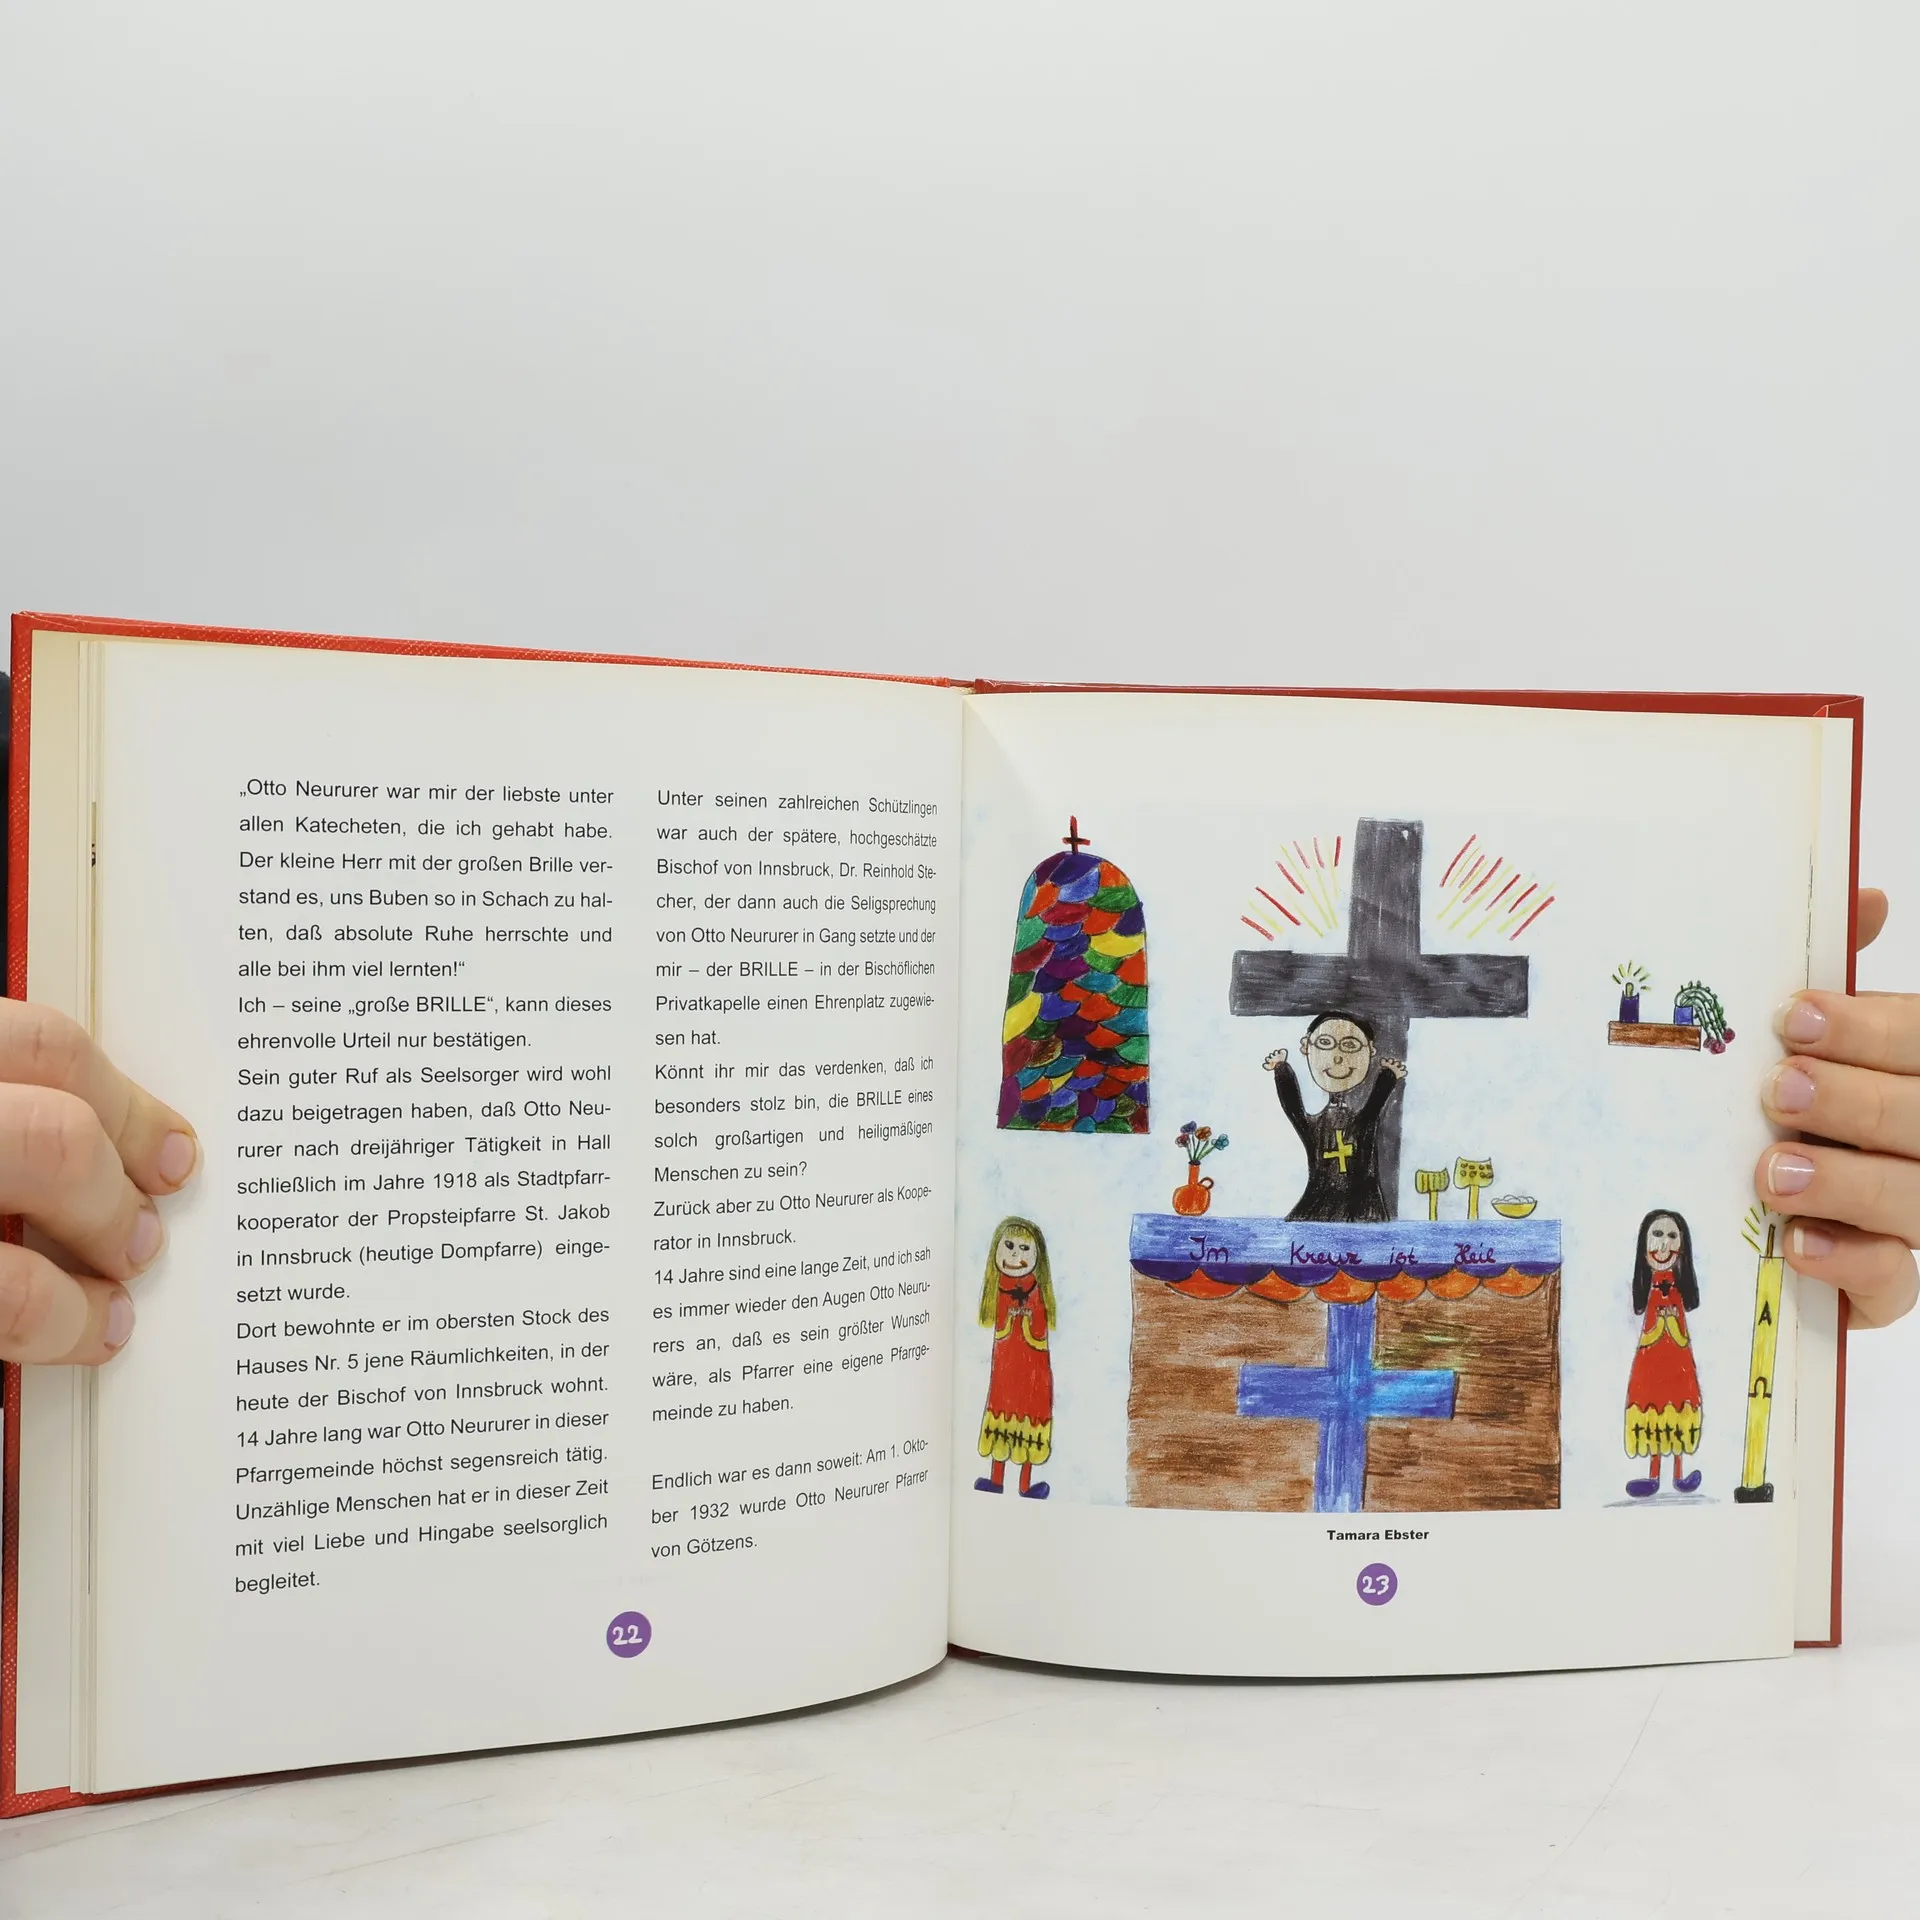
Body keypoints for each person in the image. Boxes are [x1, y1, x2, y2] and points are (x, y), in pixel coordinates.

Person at [3, 888, 1918, 1369]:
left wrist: (1739, 1136)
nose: (1346, 1050)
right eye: (1334, 1039)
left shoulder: (1394, 1066)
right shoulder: (1292, 1066)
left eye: (1356, 1043)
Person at [1262, 1011, 1406, 1221]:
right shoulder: (1316, 1126)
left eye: (1350, 1045)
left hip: (1364, 1209)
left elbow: (1373, 1109)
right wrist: (1281, 1070)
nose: (1337, 1057)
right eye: (1325, 1043)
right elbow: (1294, 1109)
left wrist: (1388, 1077)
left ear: (1370, 1051)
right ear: (1306, 1047)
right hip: (1318, 1206)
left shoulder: (1361, 1125)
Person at [1623, 1209, 1703, 1497]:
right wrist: (1661, 1323)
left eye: (1672, 1236)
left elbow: (1682, 1335)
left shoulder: (1675, 1289)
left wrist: (1670, 1321)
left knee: (1678, 1411)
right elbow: (1648, 1333)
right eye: (1657, 1234)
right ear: (1644, 1244)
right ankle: (1654, 1476)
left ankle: (1679, 1476)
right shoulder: (1653, 1289)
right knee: (1653, 1412)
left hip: (1677, 1362)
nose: (1664, 1244)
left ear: (1682, 1246)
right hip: (1652, 1362)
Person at [974, 1216, 1054, 1499]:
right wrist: (1012, 1317)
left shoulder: (1036, 1290)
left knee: (1029, 1421)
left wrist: (1027, 1318)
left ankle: (1025, 1485)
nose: (1015, 1256)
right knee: (1001, 1415)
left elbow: (1040, 1327)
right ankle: (996, 1480)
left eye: (1024, 1249)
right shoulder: (998, 1288)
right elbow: (998, 1323)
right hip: (1006, 1367)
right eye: (1009, 1247)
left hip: (1032, 1368)